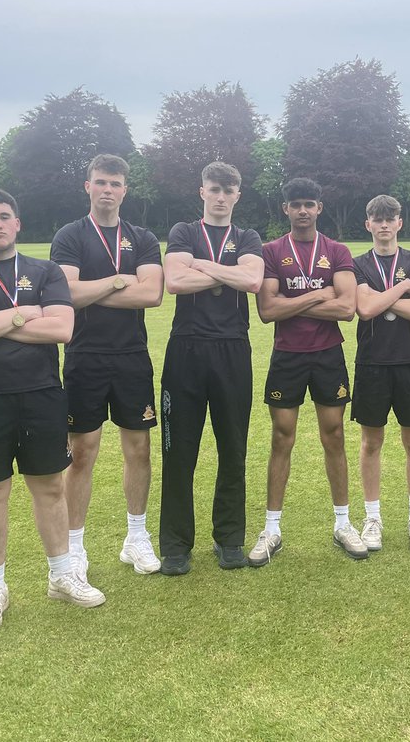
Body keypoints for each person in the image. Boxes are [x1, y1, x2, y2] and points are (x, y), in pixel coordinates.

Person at [0, 190, 105, 631]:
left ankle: (61, 576)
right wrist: (23, 314)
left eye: (5, 216)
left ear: (18, 224)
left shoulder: (45, 270)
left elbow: (62, 328)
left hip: (40, 394)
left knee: (49, 487)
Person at [50, 154, 164, 579]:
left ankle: (136, 538)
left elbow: (152, 295)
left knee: (139, 449)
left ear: (125, 190)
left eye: (115, 184)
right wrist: (120, 280)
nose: (107, 190)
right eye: (100, 182)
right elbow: (67, 295)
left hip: (132, 356)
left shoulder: (144, 237)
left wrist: (93, 289)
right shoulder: (70, 235)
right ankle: (74, 547)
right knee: (81, 452)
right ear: (88, 186)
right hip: (85, 356)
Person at [249, 177, 364, 566]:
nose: (302, 210)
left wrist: (291, 300)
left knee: (333, 435)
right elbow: (267, 312)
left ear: (319, 208)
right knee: (282, 437)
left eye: (309, 204)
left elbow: (347, 309)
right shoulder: (270, 251)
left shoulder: (337, 250)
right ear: (286, 209)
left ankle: (343, 524)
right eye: (295, 204)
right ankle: (272, 528)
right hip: (288, 355)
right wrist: (318, 294)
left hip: (328, 354)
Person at [158, 162, 264, 575]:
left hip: (232, 350)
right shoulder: (184, 232)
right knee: (178, 452)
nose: (221, 196)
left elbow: (253, 283)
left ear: (238, 195)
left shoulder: (248, 236)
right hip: (186, 350)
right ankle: (175, 546)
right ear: (202, 191)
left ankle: (230, 540)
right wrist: (228, 276)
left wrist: (201, 266)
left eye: (229, 190)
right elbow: (175, 283)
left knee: (233, 449)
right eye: (214, 189)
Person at [351, 194, 410, 552]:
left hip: (409, 362)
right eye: (377, 218)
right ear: (367, 224)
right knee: (372, 443)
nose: (384, 224)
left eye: (391, 218)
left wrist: (384, 294)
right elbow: (366, 309)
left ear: (400, 223)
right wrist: (402, 287)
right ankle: (373, 518)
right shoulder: (356, 264)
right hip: (371, 363)